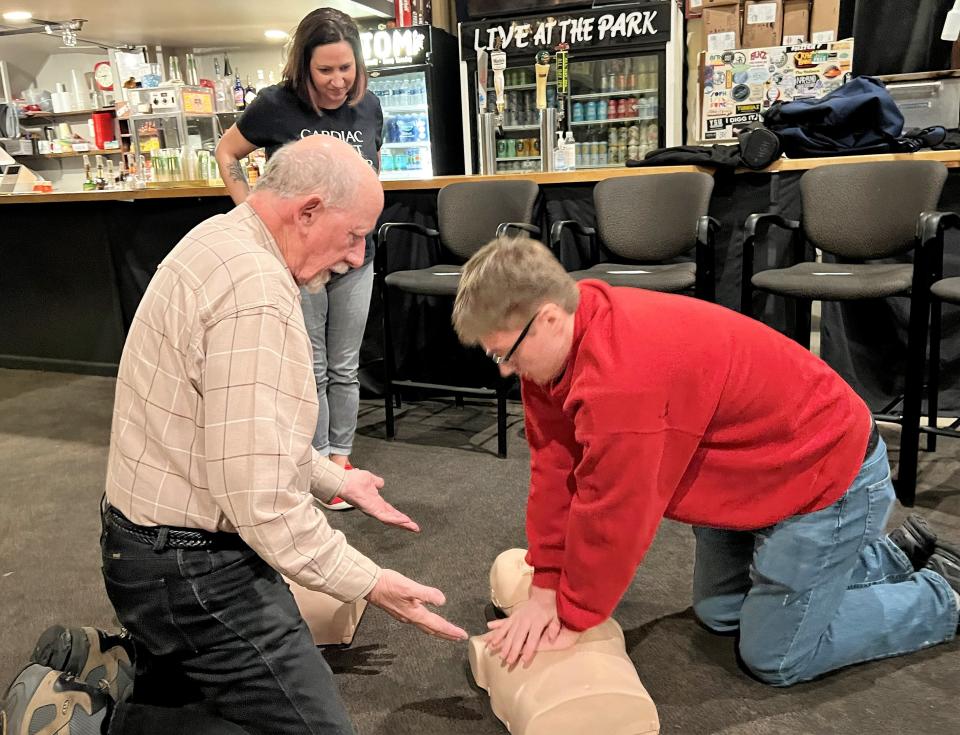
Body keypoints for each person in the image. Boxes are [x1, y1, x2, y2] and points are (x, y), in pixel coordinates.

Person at [3, 135, 466, 735]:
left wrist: (334, 478)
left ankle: (124, 666)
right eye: (354, 236)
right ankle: (87, 720)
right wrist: (372, 582)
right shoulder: (257, 299)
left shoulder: (218, 238)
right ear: (307, 211)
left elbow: (233, 432)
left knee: (229, 682)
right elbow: (263, 503)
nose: (356, 259)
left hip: (146, 548)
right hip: (186, 571)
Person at [451, 236, 960, 686]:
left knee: (775, 655)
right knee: (721, 614)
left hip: (826, 478)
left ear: (547, 318)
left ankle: (944, 593)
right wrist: (545, 585)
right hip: (751, 472)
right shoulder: (554, 350)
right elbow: (556, 472)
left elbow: (614, 512)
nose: (504, 370)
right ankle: (893, 559)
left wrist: (573, 615)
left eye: (505, 354)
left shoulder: (621, 379)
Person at [216, 7, 383, 510]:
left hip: (357, 258)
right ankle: (312, 466)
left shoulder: (370, 106)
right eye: (325, 70)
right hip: (298, 262)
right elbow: (227, 153)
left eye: (346, 68)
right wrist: (250, 212)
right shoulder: (274, 106)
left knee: (345, 366)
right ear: (303, 67)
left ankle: (340, 461)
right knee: (308, 367)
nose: (338, 81)